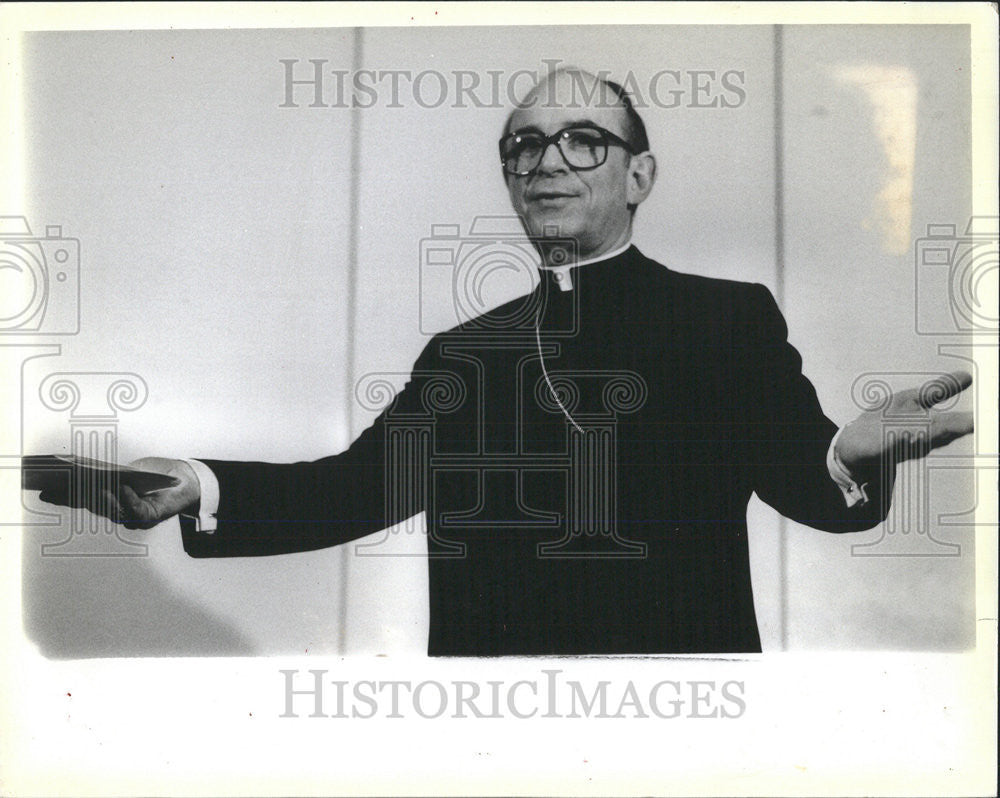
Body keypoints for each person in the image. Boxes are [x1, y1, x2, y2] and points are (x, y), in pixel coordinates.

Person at [34, 68, 974, 655]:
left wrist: (848, 456)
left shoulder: (723, 320)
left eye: (581, 140)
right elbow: (351, 490)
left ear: (639, 175)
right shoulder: (465, 355)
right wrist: (190, 483)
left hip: (686, 708)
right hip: (487, 716)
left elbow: (801, 479)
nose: (544, 161)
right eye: (522, 146)